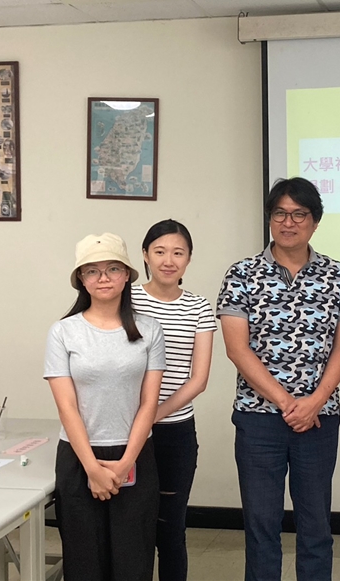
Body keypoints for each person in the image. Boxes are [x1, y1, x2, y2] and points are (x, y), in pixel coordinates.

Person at [217, 177, 340, 581]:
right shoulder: (242, 274)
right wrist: (286, 402)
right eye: (280, 213)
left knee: (316, 525)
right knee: (261, 524)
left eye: (299, 214)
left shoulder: (338, 275)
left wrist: (314, 402)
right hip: (258, 418)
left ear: (315, 221)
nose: (288, 222)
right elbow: (237, 349)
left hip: (319, 418)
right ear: (269, 218)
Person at [44, 233, 165, 581]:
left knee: (133, 563)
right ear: (81, 279)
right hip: (79, 457)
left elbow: (149, 403)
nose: (103, 278)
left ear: (127, 275)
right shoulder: (63, 332)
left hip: (134, 453)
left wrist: (126, 463)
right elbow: (67, 406)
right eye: (92, 271)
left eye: (113, 268)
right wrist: (92, 470)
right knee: (84, 564)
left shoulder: (149, 330)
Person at [132, 219, 216, 581]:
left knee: (170, 530)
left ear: (189, 259)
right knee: (131, 529)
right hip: (123, 430)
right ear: (145, 255)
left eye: (178, 253)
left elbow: (199, 379)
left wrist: (153, 414)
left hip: (175, 433)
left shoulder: (199, 307)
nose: (169, 260)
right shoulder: (125, 299)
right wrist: (138, 419)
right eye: (160, 251)